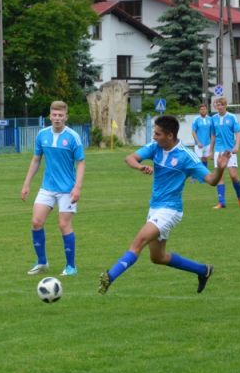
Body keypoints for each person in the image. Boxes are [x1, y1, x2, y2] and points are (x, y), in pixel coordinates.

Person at [98, 115, 229, 295]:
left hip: (170, 210)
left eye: (158, 134)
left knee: (138, 242)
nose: (154, 137)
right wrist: (140, 167)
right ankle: (203, 270)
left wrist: (220, 168)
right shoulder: (155, 147)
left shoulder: (186, 156)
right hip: (155, 208)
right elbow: (130, 158)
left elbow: (212, 180)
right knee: (157, 257)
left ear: (169, 135)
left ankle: (109, 277)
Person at [21, 101, 85, 276]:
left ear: (66, 117)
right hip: (47, 187)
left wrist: (77, 187)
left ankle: (71, 267)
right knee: (36, 222)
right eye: (54, 115)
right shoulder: (42, 135)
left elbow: (80, 163)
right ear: (50, 116)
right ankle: (42, 262)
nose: (57, 118)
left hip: (67, 189)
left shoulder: (73, 137)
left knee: (64, 225)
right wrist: (27, 184)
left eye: (60, 115)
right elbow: (36, 160)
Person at [208, 97, 240, 209]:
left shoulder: (232, 117)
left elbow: (237, 133)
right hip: (218, 151)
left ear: (225, 105)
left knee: (233, 176)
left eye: (220, 105)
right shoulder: (213, 118)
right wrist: (211, 150)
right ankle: (221, 202)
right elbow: (213, 135)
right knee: (219, 176)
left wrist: (237, 146)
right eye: (217, 105)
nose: (218, 107)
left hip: (229, 150)